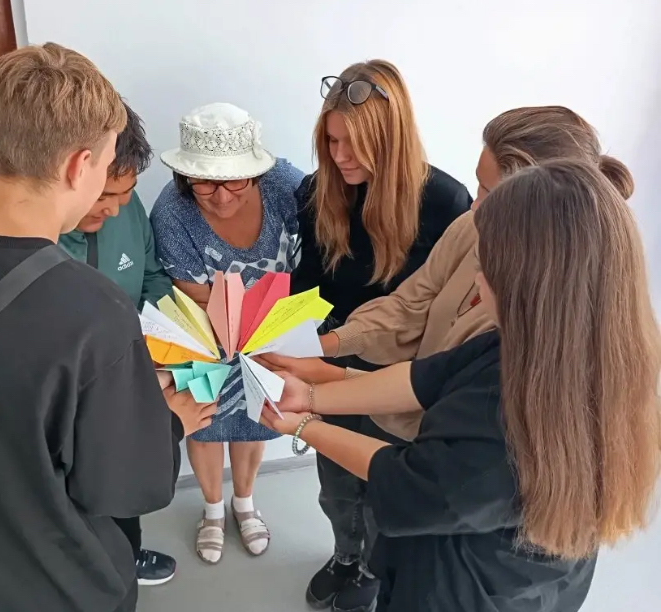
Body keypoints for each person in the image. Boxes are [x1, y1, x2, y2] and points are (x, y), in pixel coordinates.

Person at [0, 43, 214, 612]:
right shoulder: (92, 311)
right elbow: (125, 488)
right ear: (79, 166)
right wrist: (167, 423)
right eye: (106, 163)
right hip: (51, 581)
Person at [262, 158, 661, 612]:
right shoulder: (547, 343)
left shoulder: (503, 418)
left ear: (529, 281)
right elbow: (421, 378)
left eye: (486, 263)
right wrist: (312, 393)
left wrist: (303, 424)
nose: (477, 277)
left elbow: (408, 483)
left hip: (466, 590)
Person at [266, 106, 635, 441]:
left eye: (490, 193)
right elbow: (413, 320)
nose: (474, 206)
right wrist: (321, 357)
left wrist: (314, 401)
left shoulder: (539, 319)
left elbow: (435, 410)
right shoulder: (471, 228)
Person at [0, 100, 178, 585]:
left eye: (126, 193)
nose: (113, 207)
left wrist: (163, 344)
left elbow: (153, 278)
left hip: (121, 389)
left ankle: (125, 557)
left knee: (119, 502)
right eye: (105, 193)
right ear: (77, 171)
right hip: (45, 419)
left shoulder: (126, 209)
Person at [281, 60, 472, 612]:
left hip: (405, 372)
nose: (340, 156)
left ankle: (373, 567)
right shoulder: (319, 190)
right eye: (331, 141)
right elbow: (307, 285)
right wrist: (287, 341)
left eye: (354, 144)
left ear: (391, 140)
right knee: (336, 483)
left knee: (385, 482)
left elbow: (429, 304)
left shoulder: (446, 201)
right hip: (331, 355)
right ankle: (346, 555)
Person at [149, 102, 304, 564]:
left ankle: (245, 502)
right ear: (184, 177)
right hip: (203, 331)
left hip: (273, 331)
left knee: (256, 416)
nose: (220, 196)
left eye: (235, 181)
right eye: (203, 183)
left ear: (256, 173)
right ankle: (212, 510)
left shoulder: (285, 184)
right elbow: (194, 294)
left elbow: (320, 244)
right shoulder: (171, 212)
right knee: (204, 420)